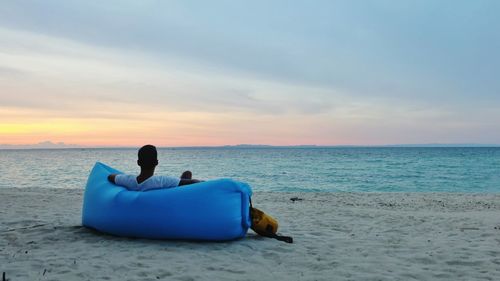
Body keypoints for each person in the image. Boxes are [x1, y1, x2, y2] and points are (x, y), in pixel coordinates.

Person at [107, 145, 202, 191]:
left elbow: (110, 177)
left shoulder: (129, 180)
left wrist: (122, 177)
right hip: (174, 193)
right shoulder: (161, 181)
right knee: (187, 174)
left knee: (186, 174)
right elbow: (193, 182)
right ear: (156, 162)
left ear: (138, 163)